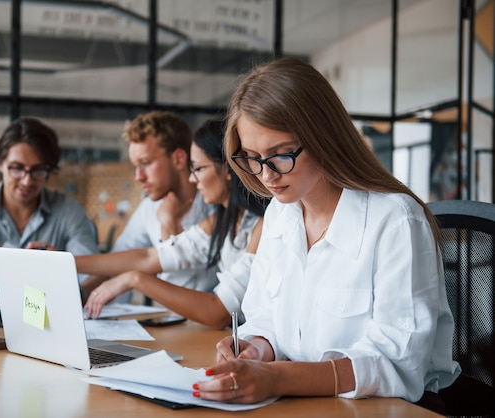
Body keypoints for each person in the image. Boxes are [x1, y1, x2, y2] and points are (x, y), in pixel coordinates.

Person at [191, 58, 460, 412]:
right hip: (304, 404)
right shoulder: (280, 215)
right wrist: (257, 347)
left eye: (280, 155)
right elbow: (266, 316)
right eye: (252, 158)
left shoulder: (394, 220)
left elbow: (397, 365)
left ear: (323, 136)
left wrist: (277, 379)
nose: (266, 176)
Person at [78, 119, 268, 329]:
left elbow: (218, 312)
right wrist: (67, 261)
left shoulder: (262, 225)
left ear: (228, 169)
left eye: (198, 169)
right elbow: (146, 256)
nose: (193, 179)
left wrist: (134, 279)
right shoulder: (219, 221)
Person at [80, 111, 216, 303]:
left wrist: (168, 224)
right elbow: (119, 262)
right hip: (169, 322)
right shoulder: (149, 208)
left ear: (178, 159)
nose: (138, 177)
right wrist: (81, 294)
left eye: (145, 163)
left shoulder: (216, 206)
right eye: (135, 166)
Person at [0, 116, 99, 273]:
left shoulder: (68, 211)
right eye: (17, 168)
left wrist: (60, 267)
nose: (27, 181)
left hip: (48, 299)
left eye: (38, 170)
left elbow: (93, 275)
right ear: (0, 163)